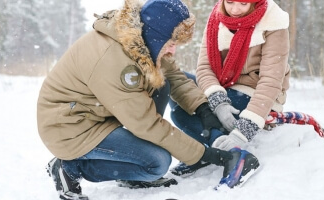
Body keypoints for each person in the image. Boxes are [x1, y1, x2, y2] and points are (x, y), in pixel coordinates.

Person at [37, 0, 259, 199]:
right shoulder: (116, 62)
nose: (173, 50)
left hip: (97, 112)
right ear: (157, 36)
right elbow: (147, 124)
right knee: (157, 162)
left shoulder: (143, 41)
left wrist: (204, 110)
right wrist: (209, 155)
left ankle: (131, 162)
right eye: (171, 42)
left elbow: (174, 77)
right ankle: (69, 167)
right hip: (69, 126)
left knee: (163, 85)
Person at [170, 0, 289, 177]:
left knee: (181, 115)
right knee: (176, 83)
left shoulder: (273, 22)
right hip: (223, 86)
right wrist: (218, 102)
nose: (234, 9)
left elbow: (271, 81)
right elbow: (205, 68)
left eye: (242, 3)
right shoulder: (215, 19)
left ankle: (228, 152)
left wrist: (243, 132)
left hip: (255, 93)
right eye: (230, 2)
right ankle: (207, 145)